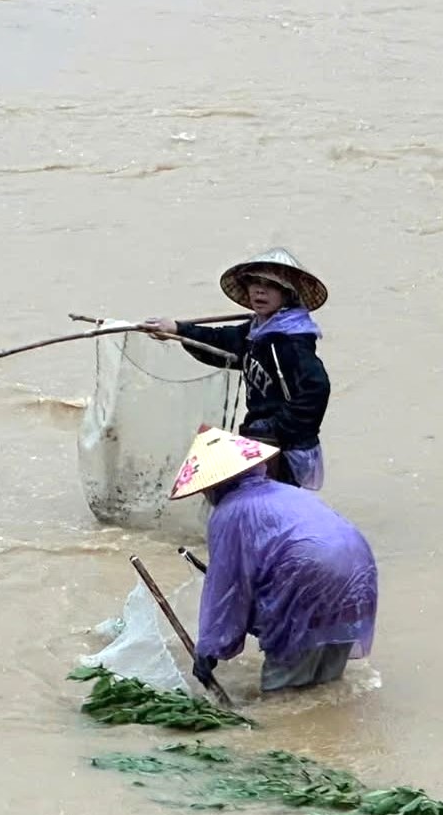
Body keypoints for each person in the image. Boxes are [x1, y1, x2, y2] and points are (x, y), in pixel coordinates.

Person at [168, 426, 377, 694]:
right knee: (323, 689)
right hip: (357, 571)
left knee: (282, 696)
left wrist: (210, 649)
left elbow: (228, 587)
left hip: (307, 578)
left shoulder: (230, 513)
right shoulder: (286, 492)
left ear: (215, 484)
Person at [142, 248, 332, 490]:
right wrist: (177, 330)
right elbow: (221, 341)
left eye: (270, 285)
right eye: (254, 282)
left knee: (260, 504)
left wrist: (277, 427)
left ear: (287, 294)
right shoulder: (256, 330)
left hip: (285, 447)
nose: (259, 290)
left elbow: (317, 389)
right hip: (259, 438)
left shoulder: (290, 342)